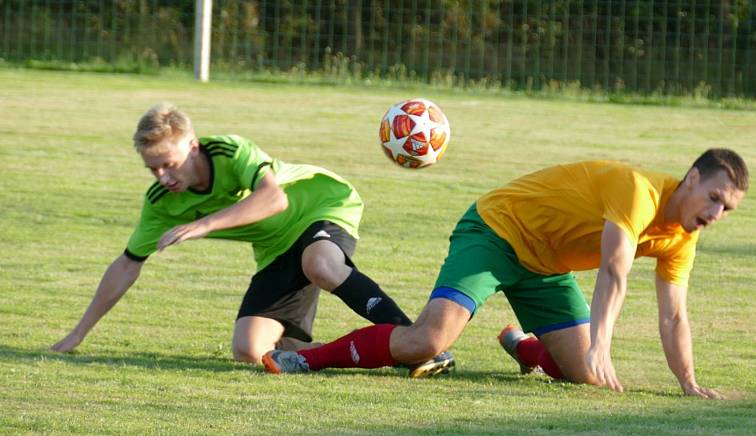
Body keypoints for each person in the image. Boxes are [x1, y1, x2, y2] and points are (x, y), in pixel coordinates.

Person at [262, 149, 748, 399]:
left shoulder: (683, 237)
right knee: (425, 342)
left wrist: (688, 381)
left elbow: (675, 317)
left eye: (727, 209)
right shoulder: (638, 190)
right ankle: (306, 359)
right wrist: (602, 342)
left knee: (587, 377)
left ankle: (524, 346)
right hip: (497, 232)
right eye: (714, 198)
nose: (717, 212)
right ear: (690, 179)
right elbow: (614, 271)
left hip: (544, 267)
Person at [50, 103, 454, 377]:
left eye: (168, 165)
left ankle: (418, 342)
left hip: (320, 206)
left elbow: (273, 198)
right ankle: (318, 353)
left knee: (321, 265)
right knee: (249, 349)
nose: (162, 177)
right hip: (277, 249)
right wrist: (78, 334)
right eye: (152, 169)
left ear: (192, 146)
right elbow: (127, 264)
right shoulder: (161, 202)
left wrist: (206, 224)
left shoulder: (230, 151)